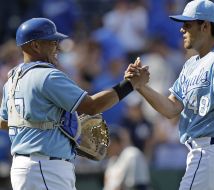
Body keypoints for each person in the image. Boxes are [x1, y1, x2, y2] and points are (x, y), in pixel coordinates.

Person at [0, 17, 149, 190]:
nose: (57, 46)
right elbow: (92, 106)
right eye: (51, 41)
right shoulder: (47, 75)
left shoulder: (13, 79)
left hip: (26, 166)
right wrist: (131, 84)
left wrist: (50, 128)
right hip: (46, 167)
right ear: (35, 45)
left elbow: (4, 122)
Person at [126, 0, 214, 189]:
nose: (182, 30)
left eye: (188, 24)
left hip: (211, 151)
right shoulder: (191, 64)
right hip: (204, 153)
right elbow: (171, 109)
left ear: (205, 26)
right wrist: (141, 87)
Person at [103, 126, 150, 190]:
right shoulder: (111, 162)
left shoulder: (132, 154)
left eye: (110, 145)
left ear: (118, 143)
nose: (107, 149)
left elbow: (139, 185)